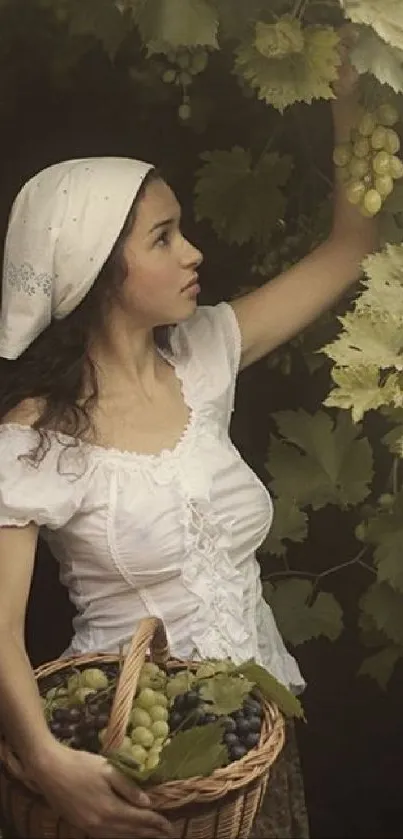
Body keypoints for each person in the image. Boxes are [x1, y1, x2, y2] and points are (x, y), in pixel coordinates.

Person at [0, 63, 377, 839]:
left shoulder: (205, 353)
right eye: (163, 238)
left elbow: (350, 247)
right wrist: (44, 759)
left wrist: (349, 99)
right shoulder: (37, 436)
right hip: (128, 765)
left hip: (251, 741)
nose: (193, 252)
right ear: (97, 273)